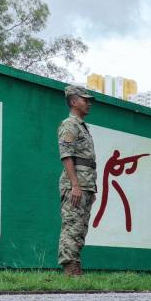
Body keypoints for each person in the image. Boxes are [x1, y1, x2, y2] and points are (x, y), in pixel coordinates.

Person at [57, 85, 98, 277]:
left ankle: (75, 267)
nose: (88, 103)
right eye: (84, 99)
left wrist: (90, 189)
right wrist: (75, 185)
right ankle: (69, 268)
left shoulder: (82, 126)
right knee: (72, 225)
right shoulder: (69, 125)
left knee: (80, 227)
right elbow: (66, 156)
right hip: (76, 185)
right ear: (73, 101)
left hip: (85, 185)